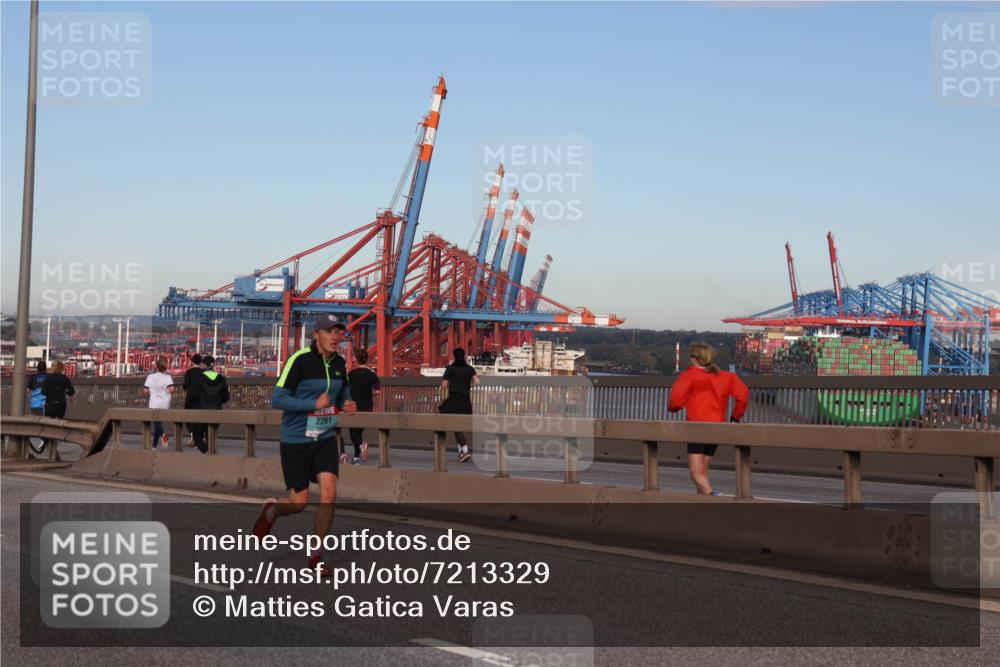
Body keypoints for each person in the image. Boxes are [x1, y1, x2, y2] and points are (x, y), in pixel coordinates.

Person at [253, 314, 357, 576]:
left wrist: (348, 402)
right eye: (330, 331)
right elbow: (278, 399)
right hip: (295, 440)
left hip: (323, 438)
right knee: (299, 502)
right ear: (317, 334)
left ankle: (316, 556)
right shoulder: (298, 361)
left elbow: (343, 392)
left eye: (339, 332)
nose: (336, 337)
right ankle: (272, 511)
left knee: (329, 493)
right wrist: (313, 404)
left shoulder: (339, 363)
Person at [668, 342, 749, 495]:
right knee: (703, 469)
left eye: (690, 356)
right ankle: (703, 505)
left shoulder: (689, 375)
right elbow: (743, 395)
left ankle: (713, 496)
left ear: (694, 358)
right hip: (717, 427)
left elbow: (676, 401)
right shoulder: (727, 376)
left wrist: (674, 409)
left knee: (694, 470)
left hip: (697, 428)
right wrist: (735, 417)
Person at [439, 348, 479, 463]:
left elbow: (444, 385)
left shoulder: (450, 368)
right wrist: (468, 385)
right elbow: (477, 382)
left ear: (455, 356)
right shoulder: (470, 369)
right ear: (464, 356)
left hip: (454, 399)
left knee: (452, 422)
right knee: (458, 426)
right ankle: (461, 453)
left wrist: (446, 382)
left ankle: (465, 450)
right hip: (466, 400)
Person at [187, 355, 229, 454]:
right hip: (216, 410)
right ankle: (210, 453)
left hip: (201, 411)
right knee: (211, 434)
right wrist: (217, 401)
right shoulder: (221, 379)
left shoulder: (199, 378)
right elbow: (226, 397)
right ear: (214, 365)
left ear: (204, 365)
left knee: (197, 436)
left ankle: (205, 451)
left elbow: (192, 395)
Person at [346, 348, 380, 464]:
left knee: (353, 432)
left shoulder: (351, 374)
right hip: (367, 408)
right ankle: (356, 458)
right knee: (358, 431)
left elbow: (345, 389)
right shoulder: (372, 375)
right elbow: (377, 392)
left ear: (356, 359)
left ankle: (360, 447)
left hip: (353, 407)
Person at [40, 360, 76, 462]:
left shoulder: (48, 378)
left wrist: (50, 391)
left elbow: (43, 392)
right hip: (61, 405)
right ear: (62, 367)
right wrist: (64, 390)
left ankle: (46, 441)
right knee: (58, 423)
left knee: (48, 424)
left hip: (50, 405)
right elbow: (71, 392)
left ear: (52, 367)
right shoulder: (65, 379)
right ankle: (54, 443)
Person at [143, 357, 175, 449]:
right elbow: (171, 389)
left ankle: (162, 436)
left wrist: (152, 391)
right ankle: (154, 445)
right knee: (158, 424)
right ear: (165, 367)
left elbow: (145, 391)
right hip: (165, 403)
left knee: (156, 424)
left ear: (156, 366)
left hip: (153, 402)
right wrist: (165, 391)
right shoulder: (168, 377)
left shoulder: (150, 377)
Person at [26, 360, 49, 455]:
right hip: (46, 403)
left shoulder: (33, 377)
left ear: (37, 368)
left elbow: (28, 390)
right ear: (45, 368)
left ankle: (43, 439)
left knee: (37, 422)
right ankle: (45, 439)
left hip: (35, 404)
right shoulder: (48, 377)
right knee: (46, 422)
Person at [182, 353, 205, 448]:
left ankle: (193, 435)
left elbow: (185, 385)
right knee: (199, 417)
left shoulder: (189, 372)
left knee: (188, 417)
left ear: (192, 362)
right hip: (201, 399)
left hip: (190, 398)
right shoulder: (204, 373)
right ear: (200, 362)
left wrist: (188, 391)